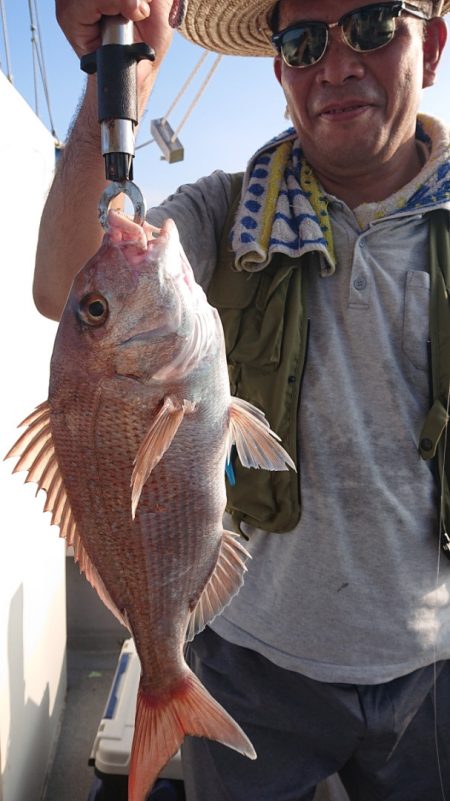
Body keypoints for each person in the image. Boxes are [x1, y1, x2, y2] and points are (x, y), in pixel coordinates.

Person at [35, 1, 450, 799]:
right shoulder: (223, 212)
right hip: (247, 659)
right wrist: (117, 76)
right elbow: (64, 285)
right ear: (280, 71)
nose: (336, 65)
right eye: (304, 41)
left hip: (434, 663)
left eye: (371, 26)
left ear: (430, 47)